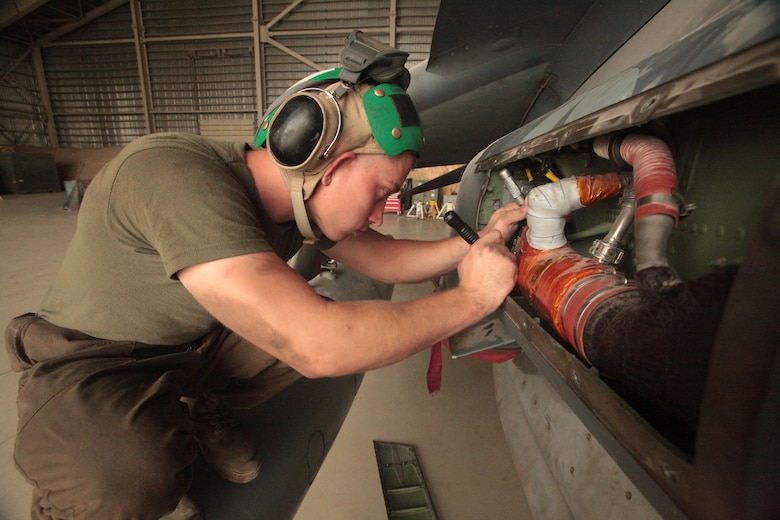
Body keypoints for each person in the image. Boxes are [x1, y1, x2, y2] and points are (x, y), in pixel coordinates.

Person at [4, 60, 526, 518]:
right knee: (126, 481)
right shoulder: (173, 174)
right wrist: (473, 299)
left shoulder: (292, 202)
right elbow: (320, 345)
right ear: (334, 167)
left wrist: (477, 245)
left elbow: (384, 260)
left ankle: (190, 406)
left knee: (292, 328)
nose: (377, 214)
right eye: (381, 194)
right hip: (92, 358)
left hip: (191, 342)